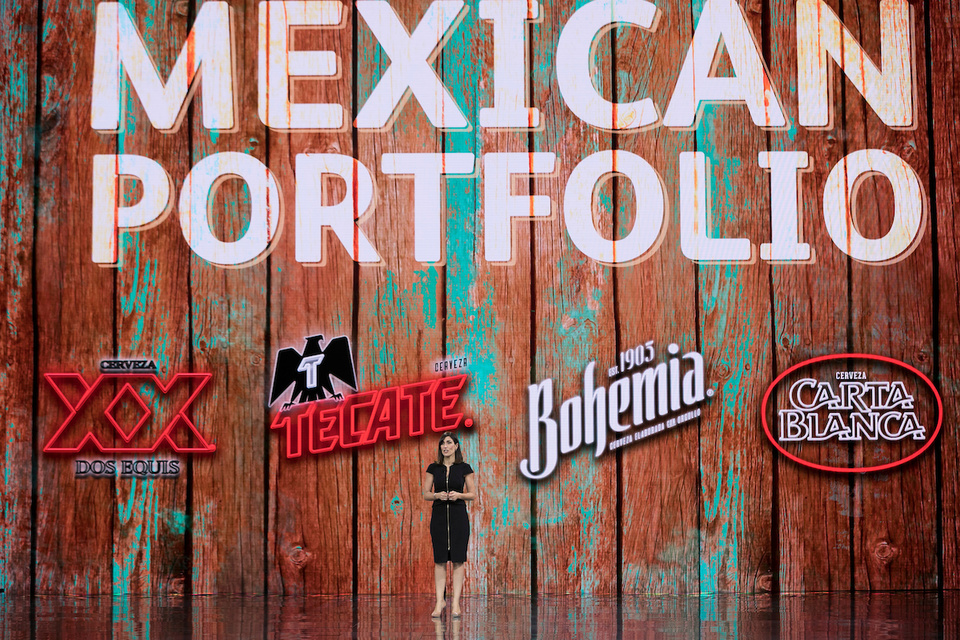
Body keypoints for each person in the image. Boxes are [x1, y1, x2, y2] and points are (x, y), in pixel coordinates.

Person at [423, 433, 476, 618]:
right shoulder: (433, 468)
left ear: (456, 445)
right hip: (438, 517)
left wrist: (459, 495)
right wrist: (437, 495)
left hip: (458, 517)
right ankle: (440, 602)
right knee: (439, 560)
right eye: (442, 444)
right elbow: (426, 493)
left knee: (458, 560)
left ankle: (455, 604)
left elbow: (472, 493)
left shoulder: (464, 468)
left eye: (448, 443)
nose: (445, 446)